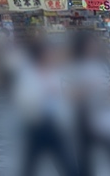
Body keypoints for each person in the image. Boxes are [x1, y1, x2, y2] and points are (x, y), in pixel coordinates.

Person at [12, 38, 78, 176]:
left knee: (66, 162)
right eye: (48, 53)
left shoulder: (54, 72)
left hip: (54, 123)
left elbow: (62, 97)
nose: (51, 56)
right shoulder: (28, 73)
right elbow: (23, 98)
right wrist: (45, 93)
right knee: (31, 164)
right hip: (36, 123)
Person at [69, 31, 110, 176]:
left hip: (103, 113)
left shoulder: (102, 66)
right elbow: (67, 95)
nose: (92, 49)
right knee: (86, 157)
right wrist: (87, 89)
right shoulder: (72, 68)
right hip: (82, 115)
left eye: (93, 45)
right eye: (88, 46)